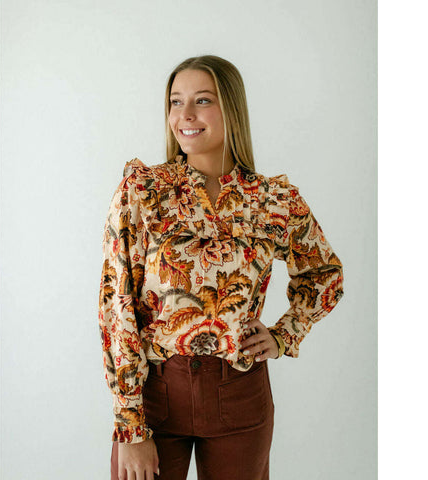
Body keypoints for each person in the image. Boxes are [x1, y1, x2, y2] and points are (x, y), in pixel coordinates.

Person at [98, 55, 344, 480]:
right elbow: (116, 304)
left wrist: (285, 334)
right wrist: (131, 426)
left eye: (202, 100)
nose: (185, 115)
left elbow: (324, 274)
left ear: (231, 108)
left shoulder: (274, 200)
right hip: (156, 395)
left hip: (240, 393)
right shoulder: (143, 191)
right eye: (175, 102)